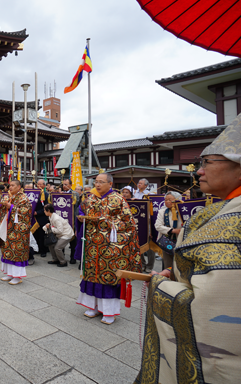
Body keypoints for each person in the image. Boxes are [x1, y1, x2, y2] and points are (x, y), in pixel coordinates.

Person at [136, 114, 241, 384]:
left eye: (207, 163)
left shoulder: (233, 221)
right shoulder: (221, 210)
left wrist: (162, 285)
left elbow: (215, 309)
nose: (198, 171)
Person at [75, 172, 141, 325]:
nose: (97, 185)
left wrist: (108, 222)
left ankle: (109, 312)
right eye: (96, 182)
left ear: (110, 184)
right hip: (92, 245)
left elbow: (128, 223)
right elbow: (81, 210)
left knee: (108, 277)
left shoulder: (118, 200)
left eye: (101, 182)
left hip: (110, 246)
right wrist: (81, 217)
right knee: (91, 275)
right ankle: (93, 307)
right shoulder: (90, 198)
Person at [0, 180, 32, 285]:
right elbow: (4, 209)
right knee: (7, 250)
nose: (10, 187)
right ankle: (9, 273)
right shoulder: (8, 196)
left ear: (19, 187)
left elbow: (24, 213)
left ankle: (17, 276)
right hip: (8, 228)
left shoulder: (23, 198)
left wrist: (11, 207)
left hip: (18, 230)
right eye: (10, 185)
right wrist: (2, 205)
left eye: (13, 185)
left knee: (17, 251)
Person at [154, 191, 183, 271]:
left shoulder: (183, 211)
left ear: (177, 199)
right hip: (167, 241)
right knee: (168, 265)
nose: (167, 202)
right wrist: (173, 230)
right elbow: (158, 226)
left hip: (181, 241)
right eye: (166, 200)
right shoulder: (162, 212)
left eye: (170, 199)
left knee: (180, 264)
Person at [61, 178, 79, 264]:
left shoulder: (75, 194)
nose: (64, 186)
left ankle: (73, 257)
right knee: (61, 239)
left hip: (72, 219)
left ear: (71, 185)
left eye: (66, 184)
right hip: (62, 220)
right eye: (63, 184)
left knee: (73, 241)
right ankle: (61, 257)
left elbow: (76, 203)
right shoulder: (59, 193)